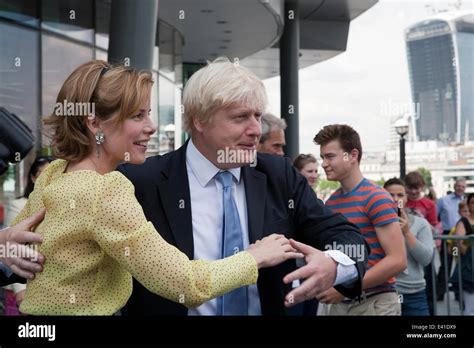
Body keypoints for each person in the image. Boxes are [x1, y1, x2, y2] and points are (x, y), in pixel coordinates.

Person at [7, 60, 303, 315]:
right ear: (95, 124)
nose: (152, 126)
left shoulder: (55, 174)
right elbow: (186, 283)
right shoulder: (105, 190)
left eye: (149, 113)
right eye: (138, 116)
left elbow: (19, 248)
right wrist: (256, 256)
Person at [119, 57, 368, 316]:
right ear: (199, 121)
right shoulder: (141, 182)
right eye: (240, 118)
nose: (256, 130)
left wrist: (334, 265)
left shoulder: (279, 175)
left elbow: (348, 237)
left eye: (257, 116)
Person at [314, 124, 406, 315]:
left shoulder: (376, 197)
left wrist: (346, 288)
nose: (323, 163)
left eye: (330, 156)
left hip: (375, 303)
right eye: (322, 157)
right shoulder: (331, 202)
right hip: (342, 303)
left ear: (353, 155)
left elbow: (398, 260)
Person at [3, 156, 54, 315]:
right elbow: (10, 249)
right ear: (32, 178)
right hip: (27, 283)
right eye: (42, 175)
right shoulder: (19, 205)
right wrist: (21, 290)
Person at [384, 178, 434, 316]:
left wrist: (407, 232)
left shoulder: (421, 224)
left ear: (406, 198)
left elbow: (426, 259)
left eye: (400, 195)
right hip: (384, 293)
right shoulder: (376, 224)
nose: (395, 199)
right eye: (390, 195)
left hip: (414, 293)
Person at [405, 171, 439, 314]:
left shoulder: (429, 204)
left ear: (422, 187)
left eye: (416, 188)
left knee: (429, 285)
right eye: (410, 188)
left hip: (424, 246)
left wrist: (420, 220)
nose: (413, 191)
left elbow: (435, 227)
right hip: (406, 249)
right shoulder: (404, 200)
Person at [436, 178, 466, 301]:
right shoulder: (443, 200)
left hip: (462, 237)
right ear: (454, 186)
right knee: (446, 264)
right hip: (448, 237)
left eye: (462, 187)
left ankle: (459, 294)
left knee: (460, 264)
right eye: (458, 186)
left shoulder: (466, 201)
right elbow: (435, 217)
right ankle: (440, 292)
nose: (460, 188)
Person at [450, 193, 474, 315]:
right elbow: (456, 244)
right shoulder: (462, 222)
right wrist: (463, 252)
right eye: (472, 203)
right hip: (468, 265)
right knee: (469, 307)